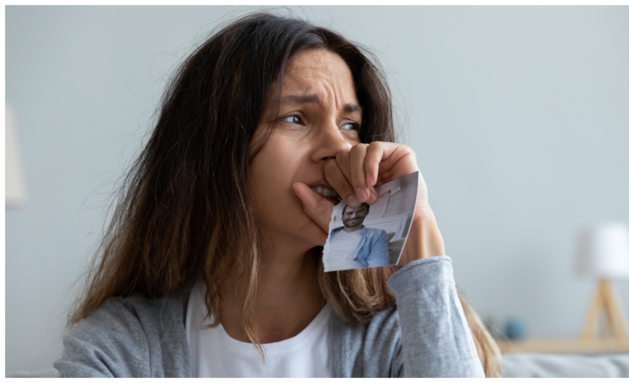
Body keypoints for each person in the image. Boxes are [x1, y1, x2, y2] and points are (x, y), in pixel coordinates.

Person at [54, 12, 501, 377]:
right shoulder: (120, 350)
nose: (341, 148)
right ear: (216, 151)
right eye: (296, 118)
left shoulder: (398, 337)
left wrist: (415, 227)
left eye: (350, 125)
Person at [327, 203, 390, 270]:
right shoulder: (329, 233)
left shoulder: (376, 235)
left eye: (360, 211)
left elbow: (378, 263)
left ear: (367, 212)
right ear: (342, 217)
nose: (354, 216)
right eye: (349, 213)